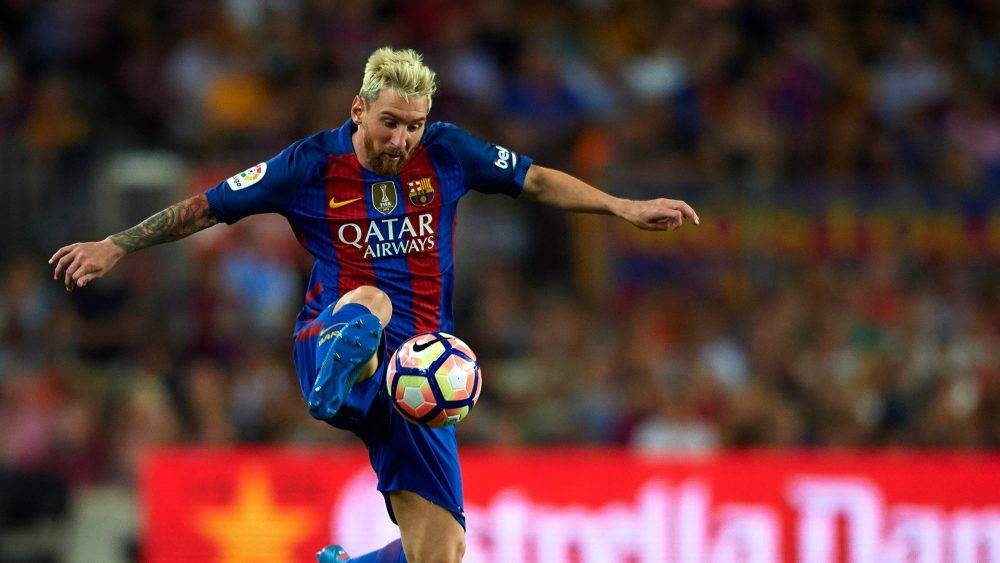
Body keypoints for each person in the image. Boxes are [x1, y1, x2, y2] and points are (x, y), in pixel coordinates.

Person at [49, 47, 699, 562]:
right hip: (336, 343)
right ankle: (337, 389)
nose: (402, 138)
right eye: (390, 122)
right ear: (358, 109)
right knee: (372, 298)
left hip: (418, 380)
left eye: (413, 125)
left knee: (442, 550)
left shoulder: (447, 151)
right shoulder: (309, 164)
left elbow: (534, 179)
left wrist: (621, 206)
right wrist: (116, 244)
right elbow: (207, 206)